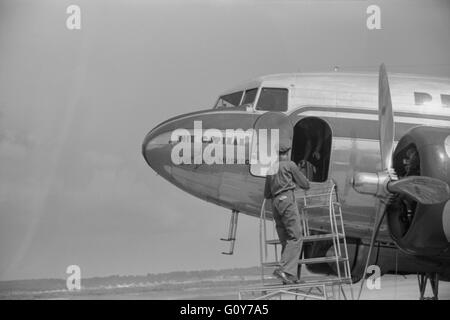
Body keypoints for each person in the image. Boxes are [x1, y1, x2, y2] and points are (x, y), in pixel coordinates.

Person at [264, 142, 310, 284]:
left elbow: (267, 194)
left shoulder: (271, 168)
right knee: (296, 237)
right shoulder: (290, 165)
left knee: (287, 240)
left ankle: (290, 276)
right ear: (287, 152)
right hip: (287, 201)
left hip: (275, 204)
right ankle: (283, 270)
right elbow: (305, 184)